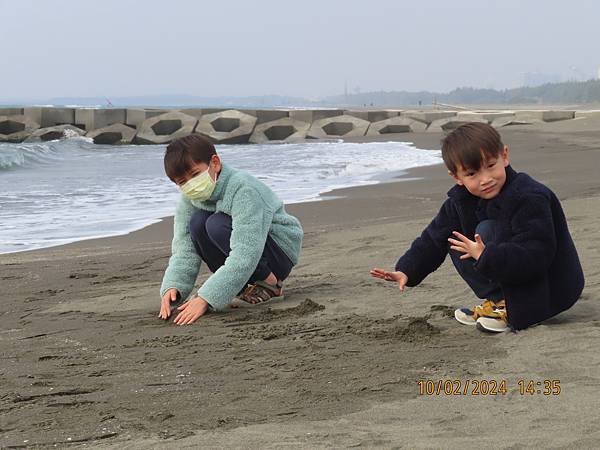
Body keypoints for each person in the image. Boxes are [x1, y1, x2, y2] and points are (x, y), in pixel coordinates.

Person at [370, 122, 584, 332]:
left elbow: (537, 254)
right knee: (454, 238)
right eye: (472, 174)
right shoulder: (460, 201)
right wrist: (407, 270)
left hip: (551, 287)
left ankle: (514, 307)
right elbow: (433, 237)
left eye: (491, 166)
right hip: (511, 271)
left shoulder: (529, 196)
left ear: (504, 156)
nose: (485, 179)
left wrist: (487, 255)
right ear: (457, 177)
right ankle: (500, 300)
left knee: (486, 231)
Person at [158, 134, 303, 325]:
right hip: (248, 251)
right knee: (197, 222)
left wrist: (206, 298)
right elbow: (184, 247)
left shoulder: (242, 188)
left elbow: (246, 252)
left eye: (194, 175)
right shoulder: (190, 199)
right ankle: (243, 287)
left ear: (215, 163)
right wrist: (174, 286)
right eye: (182, 182)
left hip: (279, 251)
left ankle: (270, 284)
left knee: (216, 225)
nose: (190, 185)